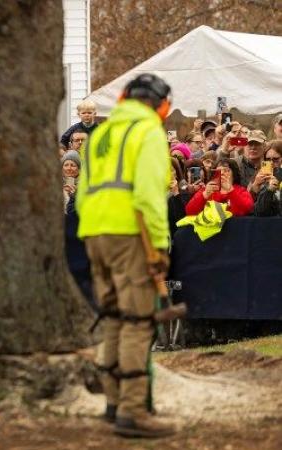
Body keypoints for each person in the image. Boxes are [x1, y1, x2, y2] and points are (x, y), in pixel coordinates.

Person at [76, 73, 175, 438]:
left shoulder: (100, 133)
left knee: (114, 317)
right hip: (132, 234)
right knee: (137, 320)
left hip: (94, 233)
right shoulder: (147, 132)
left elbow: (83, 193)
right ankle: (134, 411)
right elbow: (149, 195)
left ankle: (113, 403)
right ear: (159, 105)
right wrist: (160, 245)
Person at [185, 158, 253, 217]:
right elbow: (190, 212)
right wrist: (204, 195)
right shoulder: (207, 189)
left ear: (234, 174)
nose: (222, 173)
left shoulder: (241, 191)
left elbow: (246, 210)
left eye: (226, 170)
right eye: (218, 171)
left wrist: (231, 191)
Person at [253, 141, 282, 217]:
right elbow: (260, 212)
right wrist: (256, 188)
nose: (271, 163)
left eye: (275, 159)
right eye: (268, 160)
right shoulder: (261, 177)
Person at [241, 130, 269, 195]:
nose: (253, 147)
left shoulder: (271, 163)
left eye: (257, 144)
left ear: (265, 146)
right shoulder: (237, 165)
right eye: (250, 144)